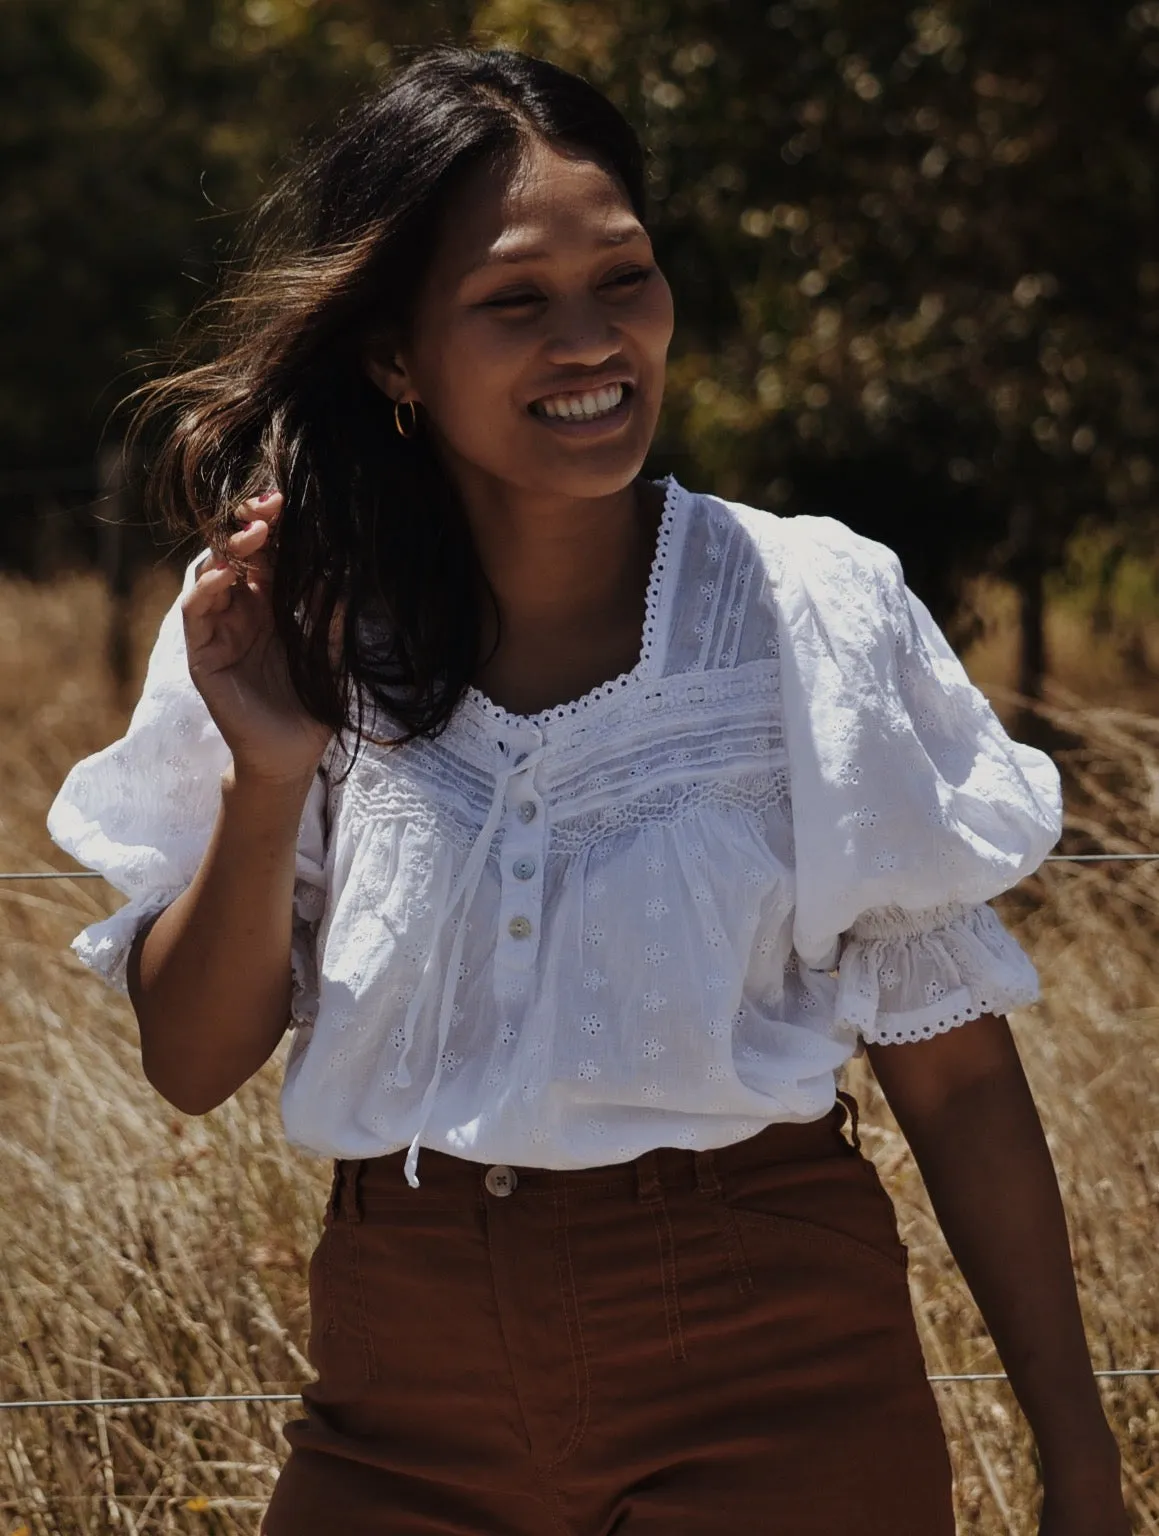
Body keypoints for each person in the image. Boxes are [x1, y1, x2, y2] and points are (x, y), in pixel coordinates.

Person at [46, 46, 1128, 1536]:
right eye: (513, 302)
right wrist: (268, 771)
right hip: (395, 1394)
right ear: (394, 356)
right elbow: (188, 1060)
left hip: (771, 1382)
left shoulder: (808, 611)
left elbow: (950, 1070)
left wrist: (1081, 1466)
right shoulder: (284, 624)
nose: (590, 341)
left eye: (622, 278)